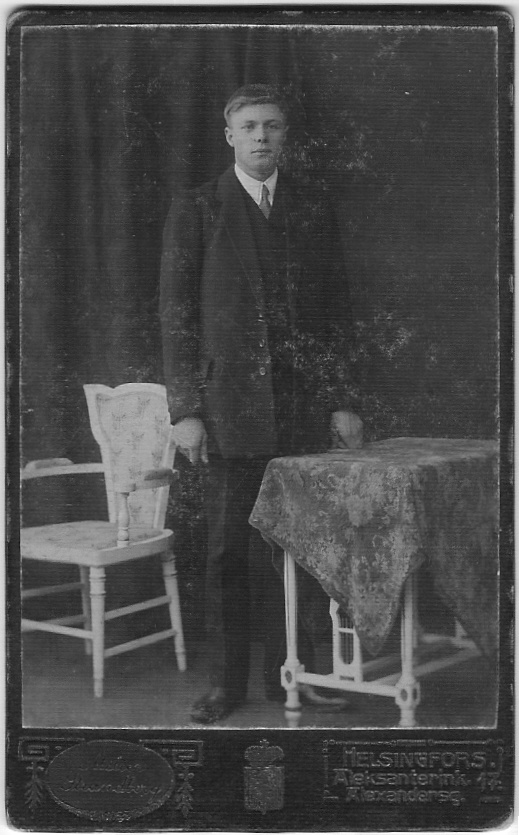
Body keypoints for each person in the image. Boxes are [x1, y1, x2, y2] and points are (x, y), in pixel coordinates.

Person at [160, 84, 362, 724]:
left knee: (297, 547)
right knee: (226, 552)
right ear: (230, 136)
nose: (261, 136)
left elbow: (335, 313)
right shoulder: (198, 207)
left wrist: (341, 401)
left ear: (285, 135)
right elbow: (175, 315)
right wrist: (186, 409)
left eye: (272, 125)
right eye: (249, 126)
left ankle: (290, 677)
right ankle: (225, 686)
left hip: (300, 409)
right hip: (227, 410)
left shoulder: (310, 207)